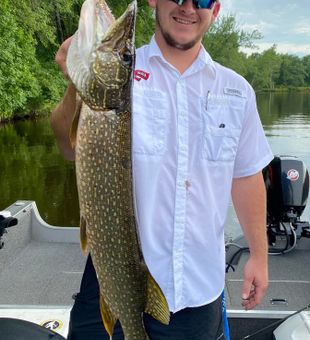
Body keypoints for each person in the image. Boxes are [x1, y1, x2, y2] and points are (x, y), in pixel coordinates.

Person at [51, 0, 273, 339]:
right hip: (110, 278)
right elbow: (68, 147)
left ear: (215, 9)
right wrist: (76, 82)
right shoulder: (122, 71)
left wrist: (259, 254)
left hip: (197, 290)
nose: (187, 8)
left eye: (201, 1)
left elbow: (245, 177)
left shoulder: (236, 90)